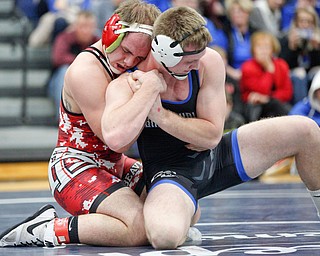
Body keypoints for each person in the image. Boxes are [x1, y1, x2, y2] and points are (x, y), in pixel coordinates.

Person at [101, 6, 320, 250]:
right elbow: (116, 140)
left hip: (219, 157)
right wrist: (151, 88)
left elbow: (212, 136)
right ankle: (184, 213)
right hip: (171, 174)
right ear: (165, 53)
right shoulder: (131, 82)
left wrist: (160, 116)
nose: (196, 66)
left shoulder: (209, 61)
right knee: (164, 236)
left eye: (198, 59)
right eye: (190, 61)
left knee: (307, 130)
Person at [0, 0, 160, 247]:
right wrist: (147, 94)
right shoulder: (86, 70)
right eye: (126, 51)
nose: (129, 62)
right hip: (75, 167)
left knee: (181, 208)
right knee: (137, 228)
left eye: (139, 56)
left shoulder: (128, 64)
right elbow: (115, 138)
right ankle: (46, 229)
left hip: (114, 166)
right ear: (110, 33)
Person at [48, 10, 99, 119]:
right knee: (65, 71)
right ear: (75, 26)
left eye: (89, 27)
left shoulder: (97, 41)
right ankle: (63, 117)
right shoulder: (64, 38)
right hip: (58, 81)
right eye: (82, 26)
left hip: (87, 81)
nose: (85, 30)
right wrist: (83, 61)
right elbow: (58, 58)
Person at [240, 31, 293, 122]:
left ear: (272, 50)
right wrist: (269, 70)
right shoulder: (247, 67)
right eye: (259, 47)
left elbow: (287, 92)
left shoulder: (281, 65)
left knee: (277, 105)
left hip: (277, 104)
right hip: (255, 107)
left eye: (267, 47)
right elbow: (261, 89)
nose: (263, 51)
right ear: (253, 50)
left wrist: (268, 98)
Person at [279, 6, 320, 104]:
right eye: (302, 21)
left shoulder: (317, 38)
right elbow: (282, 65)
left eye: (309, 22)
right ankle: (301, 108)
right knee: (300, 74)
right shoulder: (286, 38)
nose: (305, 25)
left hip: (311, 72)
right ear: (296, 23)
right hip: (294, 74)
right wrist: (292, 48)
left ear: (314, 24)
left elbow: (316, 64)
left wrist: (317, 48)